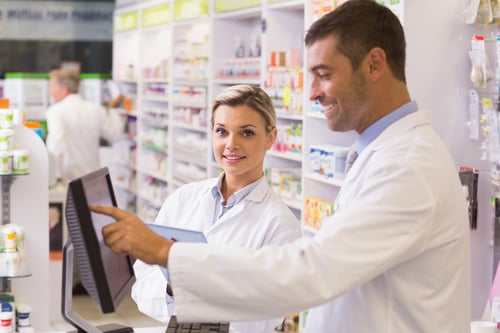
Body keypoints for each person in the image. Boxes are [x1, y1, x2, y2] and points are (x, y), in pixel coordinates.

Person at [93, 1, 471, 332]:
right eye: (221, 131)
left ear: (374, 64)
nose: (312, 92)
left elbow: (312, 271)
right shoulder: (386, 153)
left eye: (324, 74)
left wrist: (166, 253)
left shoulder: (408, 166)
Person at [130, 84, 302, 333]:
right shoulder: (183, 198)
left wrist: (199, 287)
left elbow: (265, 319)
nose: (231, 144)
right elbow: (143, 278)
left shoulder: (281, 225)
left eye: (247, 133)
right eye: (222, 131)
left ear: (271, 138)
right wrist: (171, 287)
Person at [46, 68, 125, 185]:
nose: (50, 92)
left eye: (52, 87)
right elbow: (115, 134)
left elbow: (55, 145)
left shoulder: (55, 111)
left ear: (64, 88)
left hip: (68, 180)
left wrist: (49, 172)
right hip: (92, 179)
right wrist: (112, 111)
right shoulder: (96, 110)